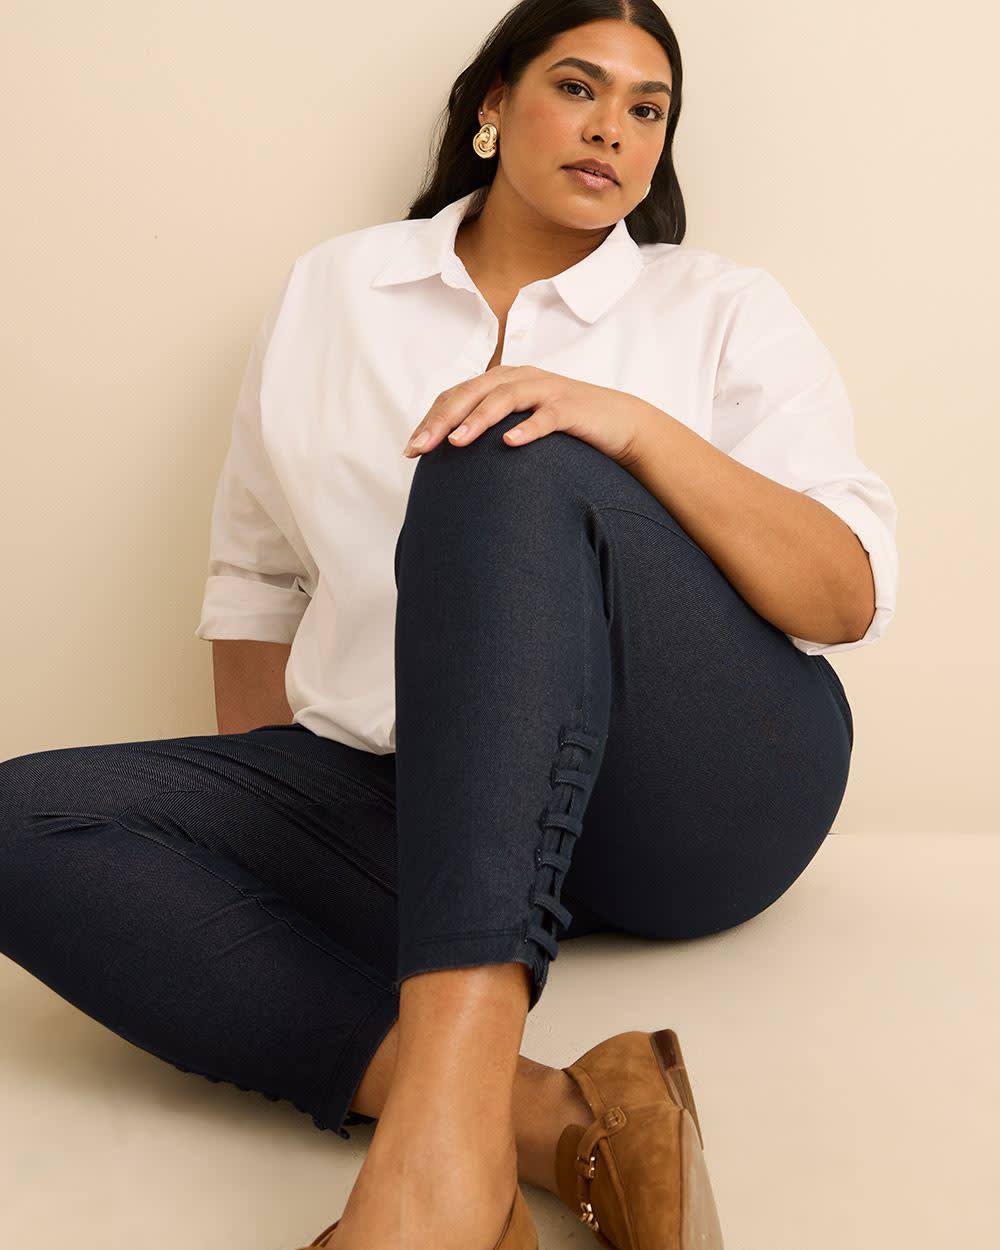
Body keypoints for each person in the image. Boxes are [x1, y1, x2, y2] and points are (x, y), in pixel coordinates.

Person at [0, 3, 899, 1249]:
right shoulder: (336, 289)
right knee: (20, 823)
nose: (613, 128)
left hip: (695, 798)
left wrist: (625, 426)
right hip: (430, 807)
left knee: (507, 444)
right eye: (577, 86)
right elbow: (259, 580)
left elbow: (841, 593)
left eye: (647, 109)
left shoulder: (720, 305)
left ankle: (435, 1178)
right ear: (490, 105)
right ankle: (550, 1118)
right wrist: (279, 845)